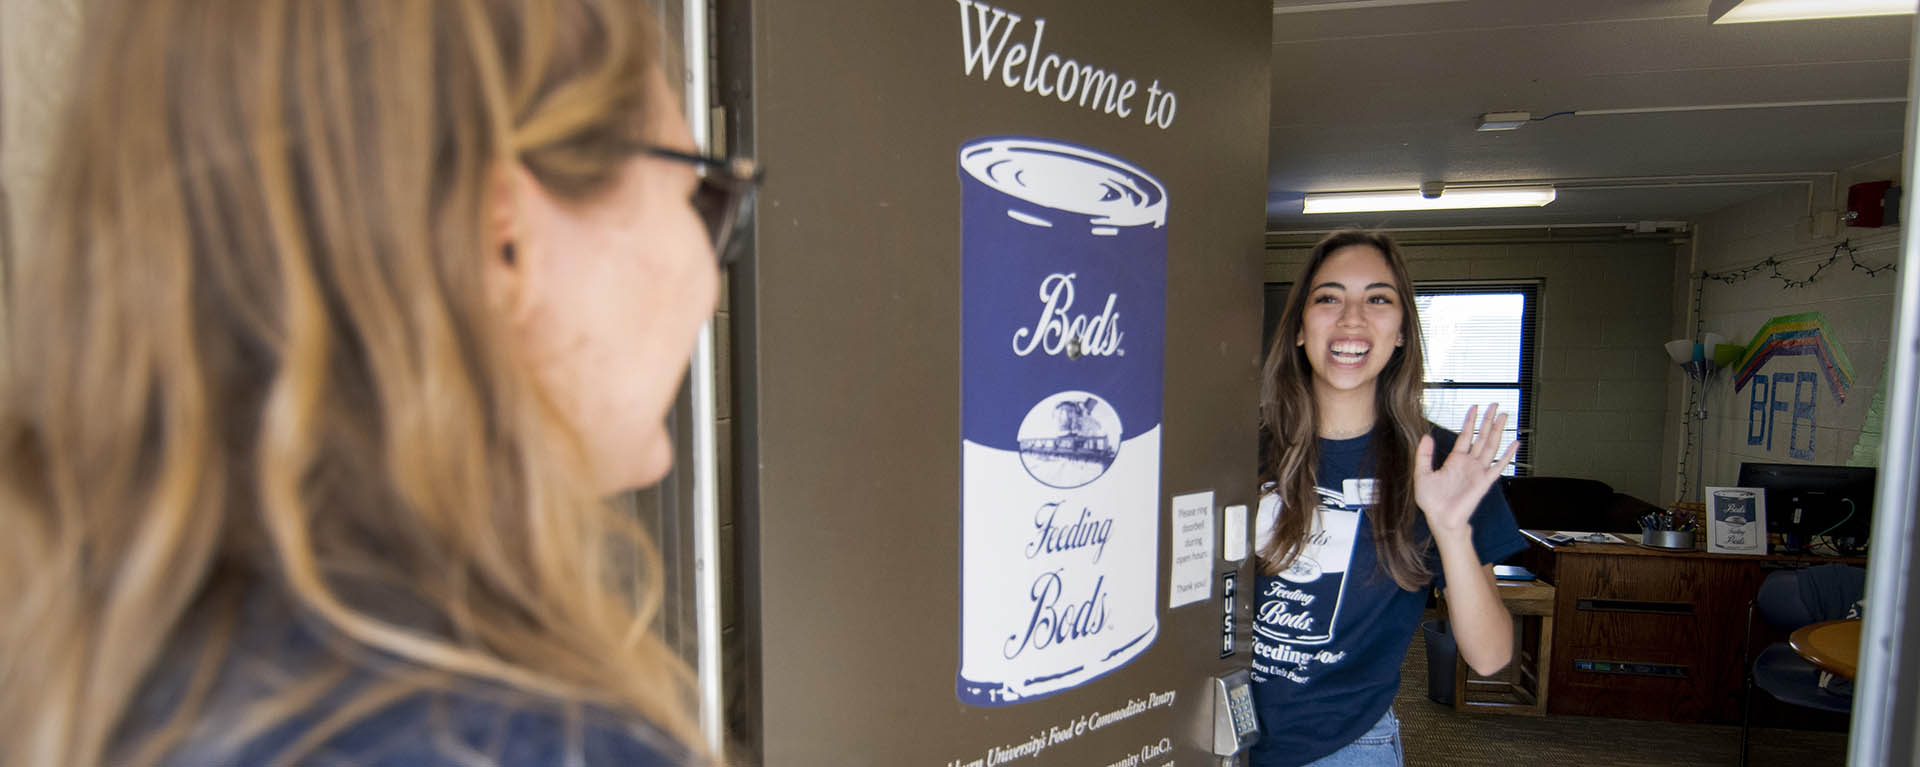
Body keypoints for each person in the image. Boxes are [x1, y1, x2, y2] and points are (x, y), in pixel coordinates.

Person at [0, 0, 758, 764]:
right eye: (701, 196)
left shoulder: (118, 671)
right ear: (504, 242)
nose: (712, 277)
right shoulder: (515, 743)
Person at [1248, 230, 1525, 767]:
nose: (1352, 319)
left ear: (1401, 333)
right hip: (1213, 736)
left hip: (1346, 748)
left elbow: (1490, 657)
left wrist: (1449, 528)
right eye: (1328, 297)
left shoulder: (1444, 464)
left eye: (1378, 299)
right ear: (1300, 329)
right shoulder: (1241, 449)